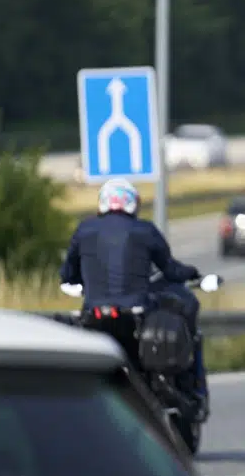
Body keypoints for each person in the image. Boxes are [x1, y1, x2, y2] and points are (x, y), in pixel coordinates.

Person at [59, 178, 209, 415]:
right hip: (137, 312)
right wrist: (192, 272)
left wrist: (84, 283)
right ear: (133, 204)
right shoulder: (145, 230)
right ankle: (185, 388)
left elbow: (67, 274)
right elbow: (171, 270)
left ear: (102, 203)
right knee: (176, 315)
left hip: (94, 314)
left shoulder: (84, 229)